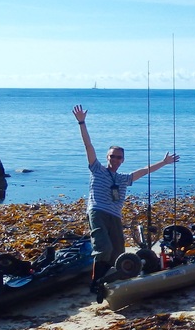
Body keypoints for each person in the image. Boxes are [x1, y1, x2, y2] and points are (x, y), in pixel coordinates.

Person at [73, 105, 178, 298]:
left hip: (114, 215)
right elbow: (88, 146)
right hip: (97, 211)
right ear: (107, 157)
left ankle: (110, 280)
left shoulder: (123, 178)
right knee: (104, 247)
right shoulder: (97, 169)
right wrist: (82, 122)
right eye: (112, 156)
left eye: (118, 157)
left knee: (118, 251)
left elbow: (144, 170)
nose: (115, 159)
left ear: (122, 160)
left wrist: (164, 162)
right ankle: (96, 283)